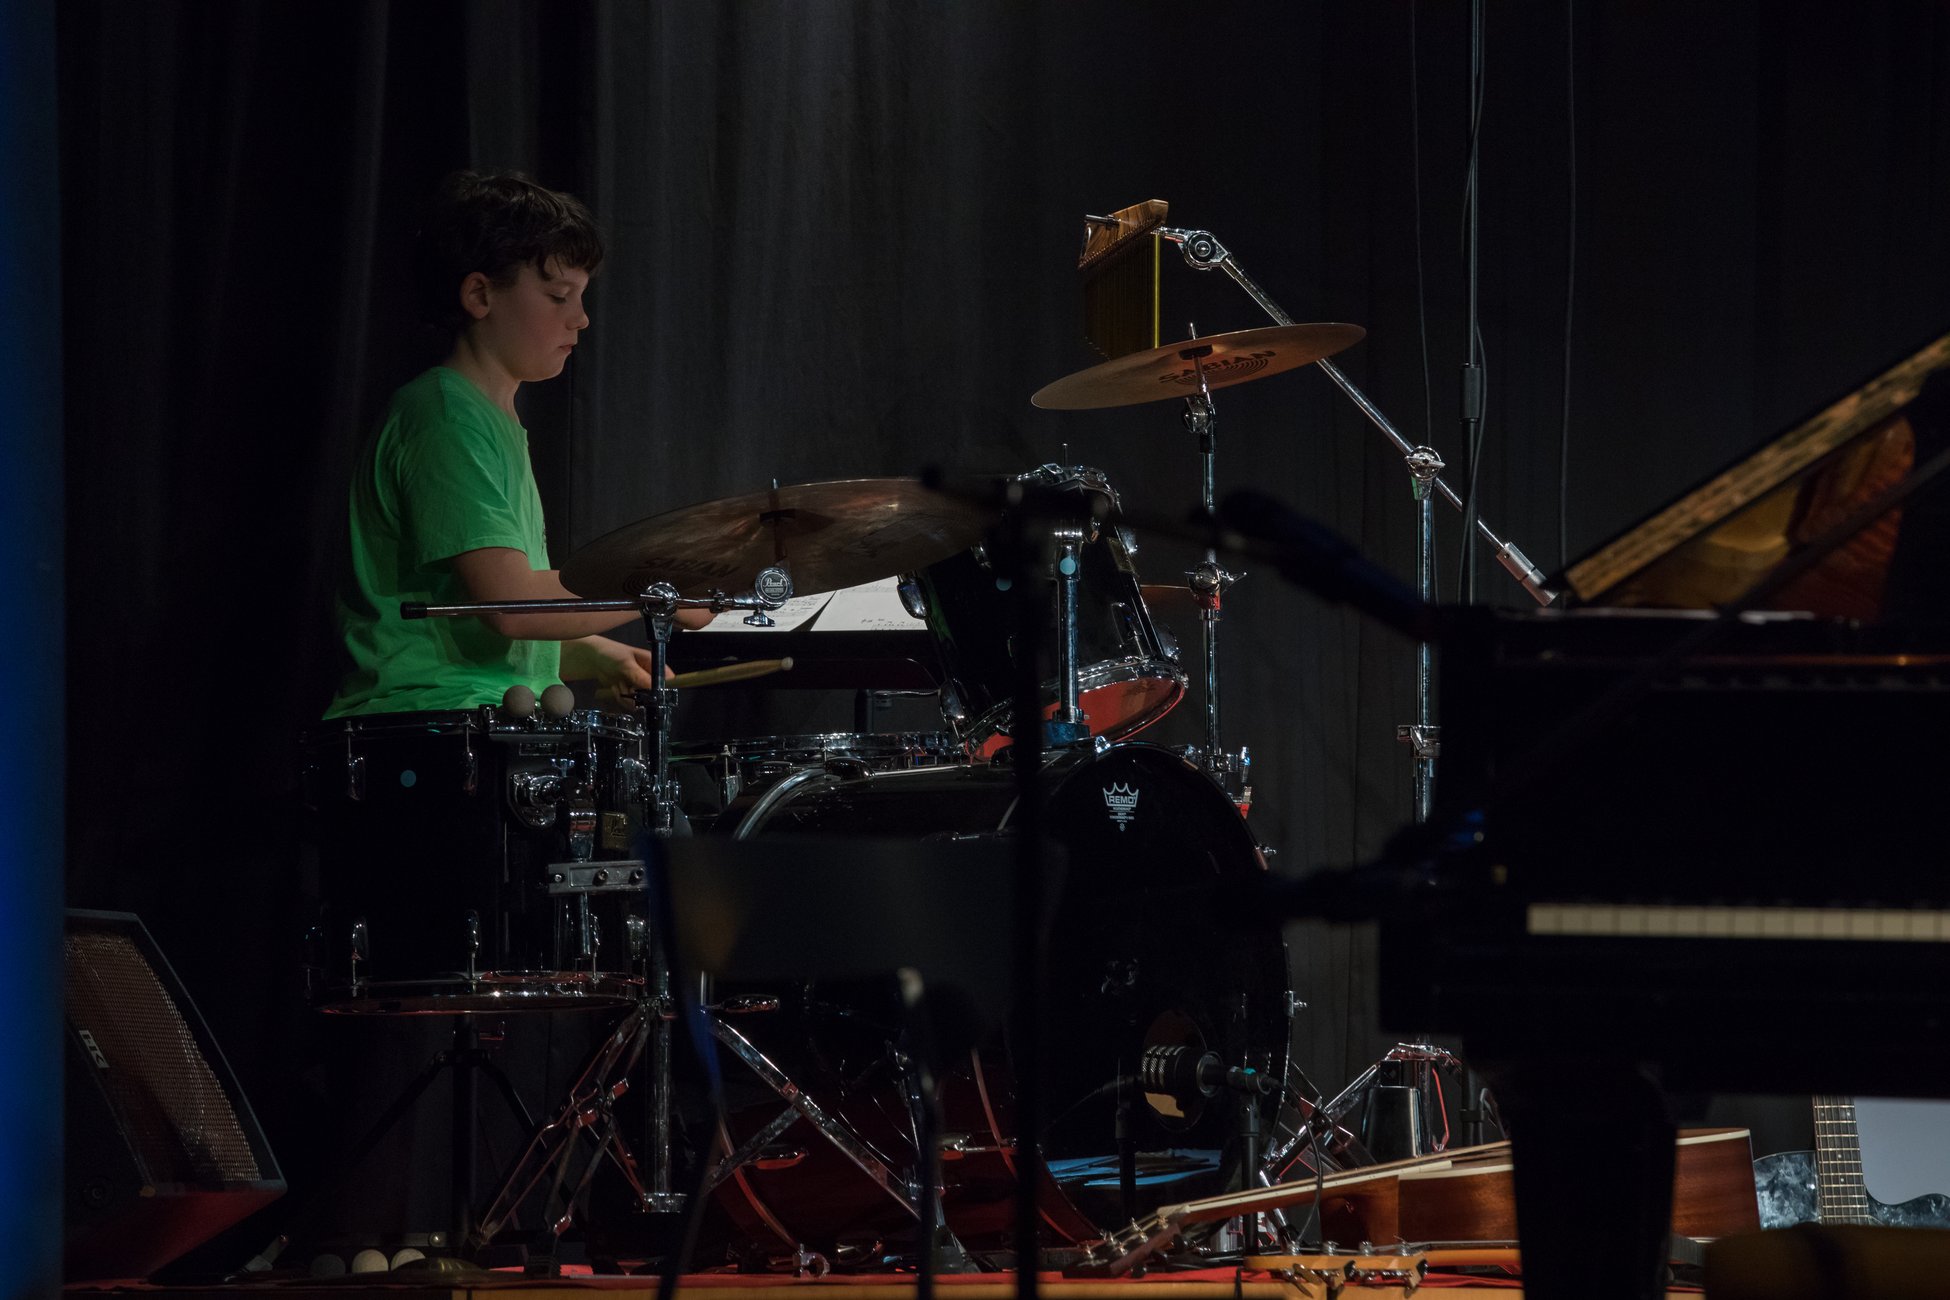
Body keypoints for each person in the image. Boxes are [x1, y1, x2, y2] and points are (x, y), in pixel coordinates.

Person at [325, 170, 707, 720]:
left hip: (478, 709)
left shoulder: (487, 416)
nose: (581, 318)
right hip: (431, 719)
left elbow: (478, 626)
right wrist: (656, 589)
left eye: (581, 297)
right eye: (558, 296)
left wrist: (601, 656)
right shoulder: (445, 417)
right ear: (480, 294)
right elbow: (510, 604)